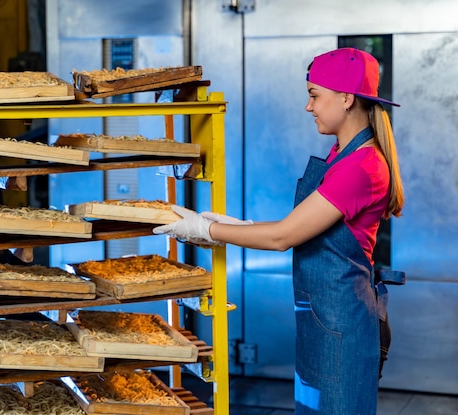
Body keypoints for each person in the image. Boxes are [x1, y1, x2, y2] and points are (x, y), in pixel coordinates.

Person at [154, 47, 405, 415]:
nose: (309, 107)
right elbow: (301, 227)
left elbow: (283, 237)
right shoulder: (342, 155)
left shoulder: (362, 167)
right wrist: (234, 226)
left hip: (341, 327)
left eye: (314, 96)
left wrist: (208, 230)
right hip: (322, 320)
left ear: (347, 98)